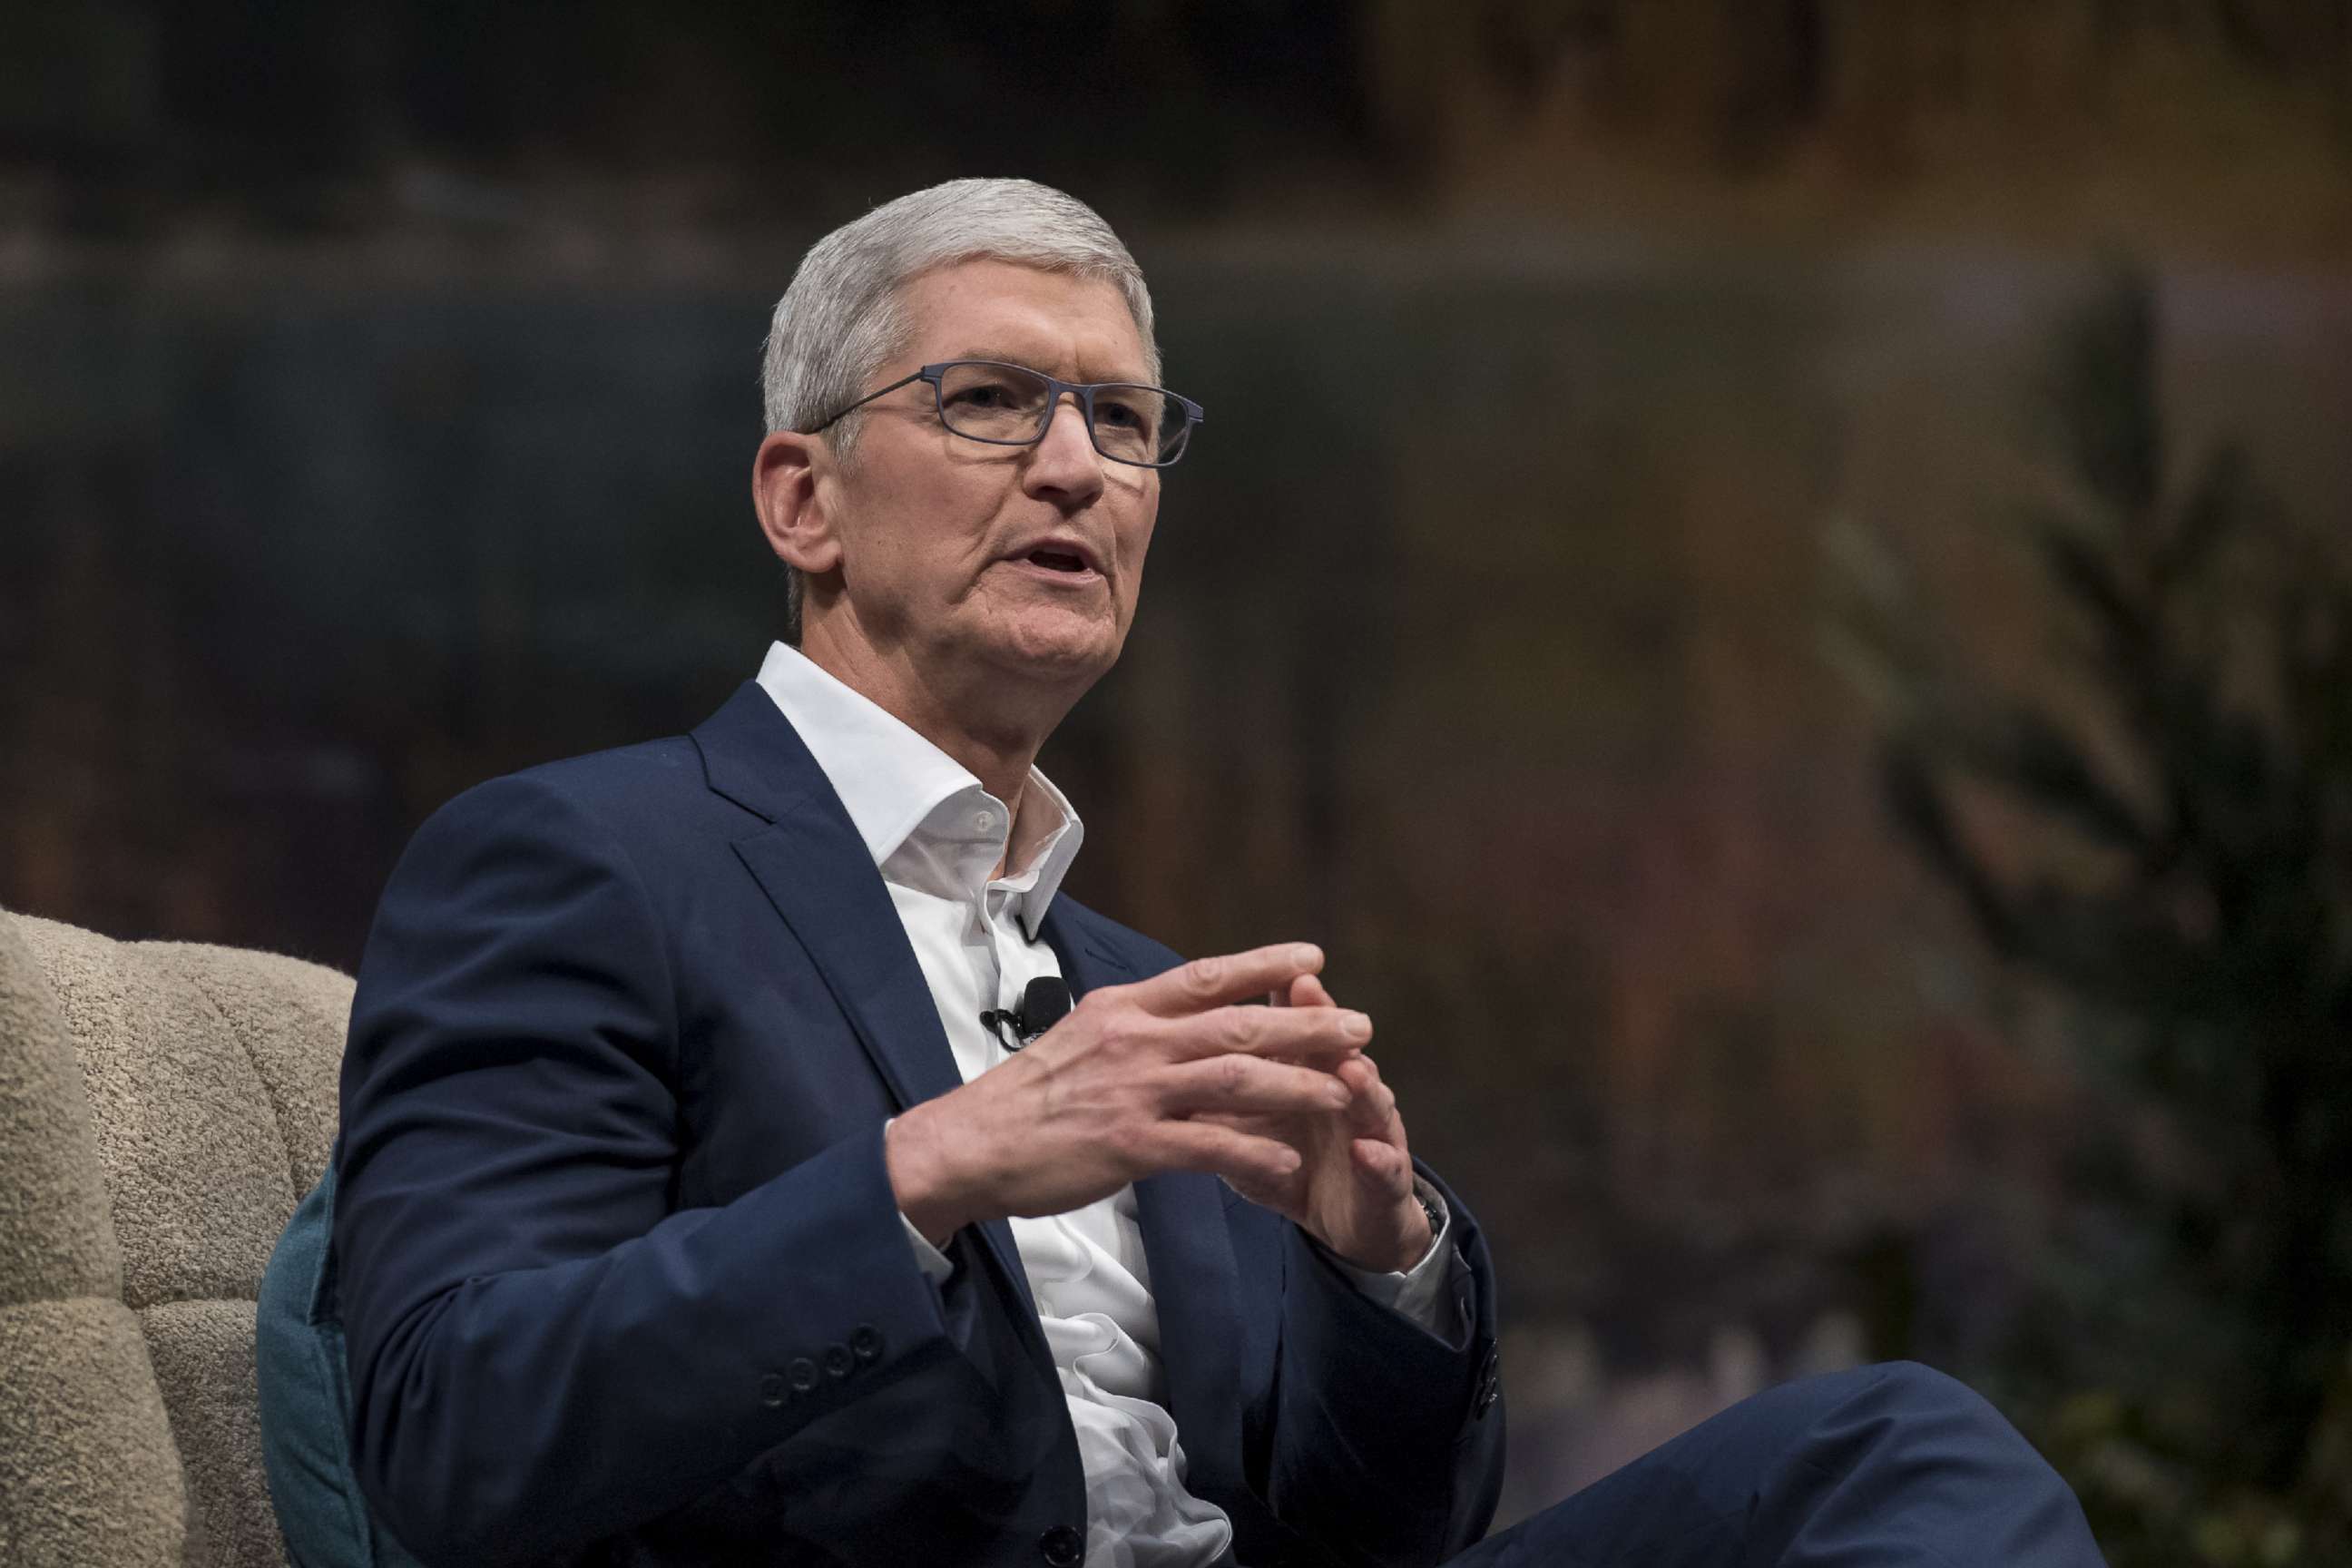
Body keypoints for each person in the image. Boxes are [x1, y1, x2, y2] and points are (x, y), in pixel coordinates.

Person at [305, 178, 2106, 1567]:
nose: (1082, 469)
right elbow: (452, 1430)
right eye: (995, 400)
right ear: (805, 500)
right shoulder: (583, 861)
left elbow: (1381, 1545)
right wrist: (932, 1172)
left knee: (1897, 1455)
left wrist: (1380, 1275)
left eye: (1128, 420)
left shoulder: (1140, 999)